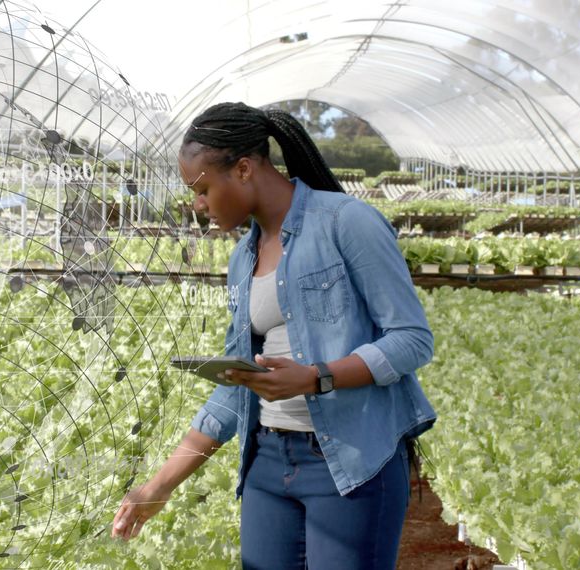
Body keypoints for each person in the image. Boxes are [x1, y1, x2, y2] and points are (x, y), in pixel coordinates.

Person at [110, 102, 436, 569]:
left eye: (202, 190)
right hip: (268, 463)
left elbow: (411, 339)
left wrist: (316, 378)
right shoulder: (243, 259)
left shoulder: (347, 223)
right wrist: (157, 486)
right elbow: (233, 395)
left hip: (351, 463)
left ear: (243, 169)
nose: (198, 206)